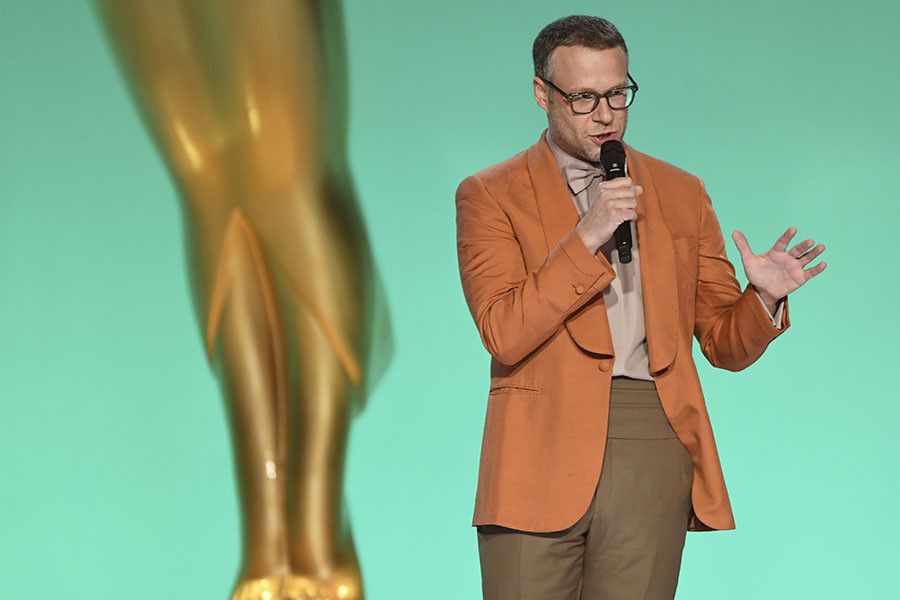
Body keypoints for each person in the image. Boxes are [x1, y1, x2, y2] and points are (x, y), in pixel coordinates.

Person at [455, 15, 825, 600]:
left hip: (648, 433)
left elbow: (723, 344)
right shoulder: (489, 194)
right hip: (535, 441)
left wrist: (763, 297)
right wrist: (587, 235)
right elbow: (504, 330)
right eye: (582, 98)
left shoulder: (681, 192)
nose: (604, 114)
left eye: (617, 94)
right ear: (541, 94)